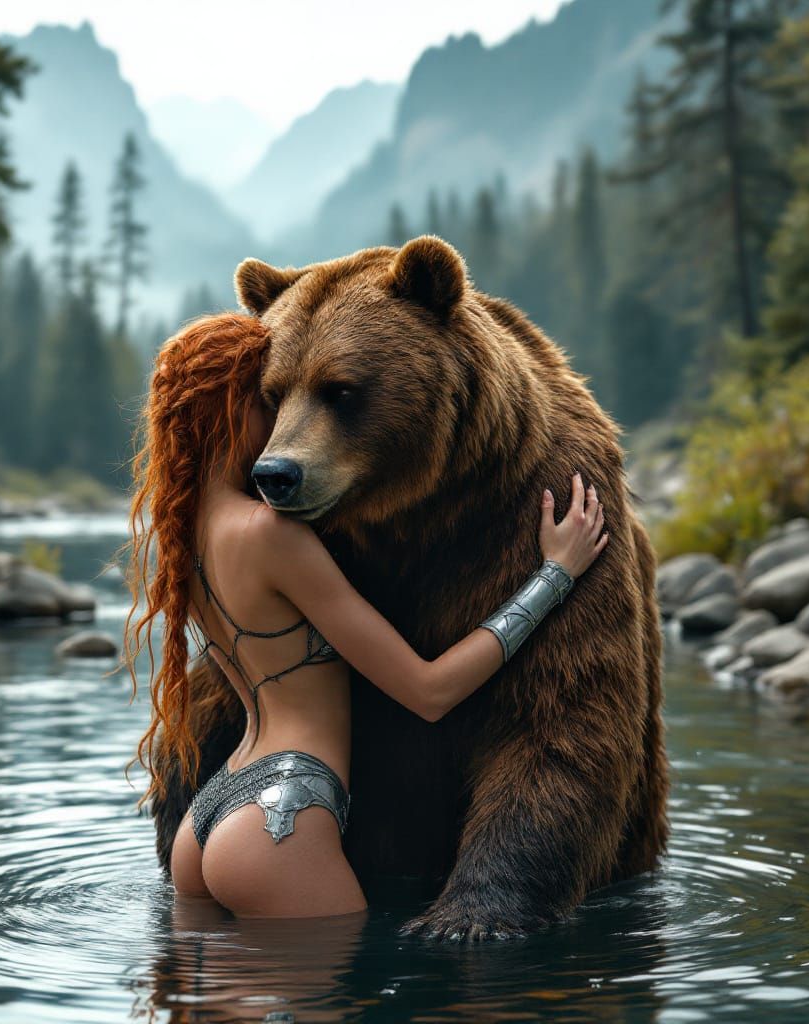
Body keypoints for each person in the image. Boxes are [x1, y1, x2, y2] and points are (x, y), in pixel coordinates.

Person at [125, 313, 608, 920]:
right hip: (283, 813)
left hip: (211, 813)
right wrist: (554, 575)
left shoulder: (183, 535)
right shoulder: (274, 534)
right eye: (272, 401)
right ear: (236, 408)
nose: (288, 433)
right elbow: (429, 691)